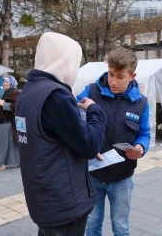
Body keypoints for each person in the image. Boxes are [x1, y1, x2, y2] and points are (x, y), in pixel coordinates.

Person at [15, 32, 107, 236]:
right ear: (65, 61)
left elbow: (46, 138)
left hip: (42, 199)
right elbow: (90, 144)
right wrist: (94, 111)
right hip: (64, 204)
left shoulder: (28, 92)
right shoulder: (56, 96)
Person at [76, 47, 151, 236]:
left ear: (132, 75)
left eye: (120, 76)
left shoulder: (141, 102)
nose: (113, 81)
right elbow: (72, 120)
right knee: (92, 224)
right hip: (93, 174)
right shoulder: (91, 91)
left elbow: (144, 133)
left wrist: (141, 147)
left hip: (122, 178)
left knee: (120, 226)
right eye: (110, 74)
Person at [0, 75, 20, 172]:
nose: (5, 84)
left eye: (7, 82)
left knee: (1, 142)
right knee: (10, 143)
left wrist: (4, 104)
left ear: (12, 83)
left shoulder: (14, 92)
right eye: (4, 82)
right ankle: (15, 162)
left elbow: (17, 106)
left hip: (7, 122)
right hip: (5, 121)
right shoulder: (8, 92)